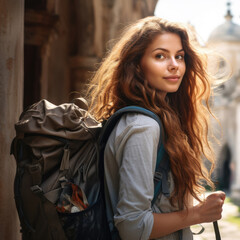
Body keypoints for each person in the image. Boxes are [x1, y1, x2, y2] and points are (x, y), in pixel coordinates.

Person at [86, 16, 225, 240]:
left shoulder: (152, 120)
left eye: (179, 56)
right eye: (160, 56)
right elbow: (133, 226)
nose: (174, 65)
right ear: (137, 65)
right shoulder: (143, 126)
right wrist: (198, 214)